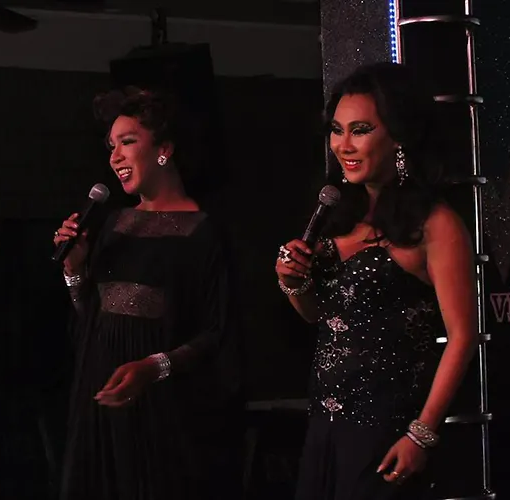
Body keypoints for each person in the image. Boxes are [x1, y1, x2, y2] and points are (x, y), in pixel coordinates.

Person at [275, 62, 479, 500]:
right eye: (336, 130)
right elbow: (318, 316)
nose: (343, 145)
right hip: (324, 427)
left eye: (361, 130)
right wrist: (294, 283)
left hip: (386, 434)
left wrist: (421, 434)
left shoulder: (435, 224)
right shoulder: (336, 215)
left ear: (399, 136)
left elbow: (463, 336)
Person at [53, 87, 240, 500]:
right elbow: (90, 317)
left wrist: (154, 367)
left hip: (163, 410)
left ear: (164, 149)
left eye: (127, 142)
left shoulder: (205, 231)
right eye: (111, 146)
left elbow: (218, 331)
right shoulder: (113, 223)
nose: (115, 157)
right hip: (100, 397)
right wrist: (74, 269)